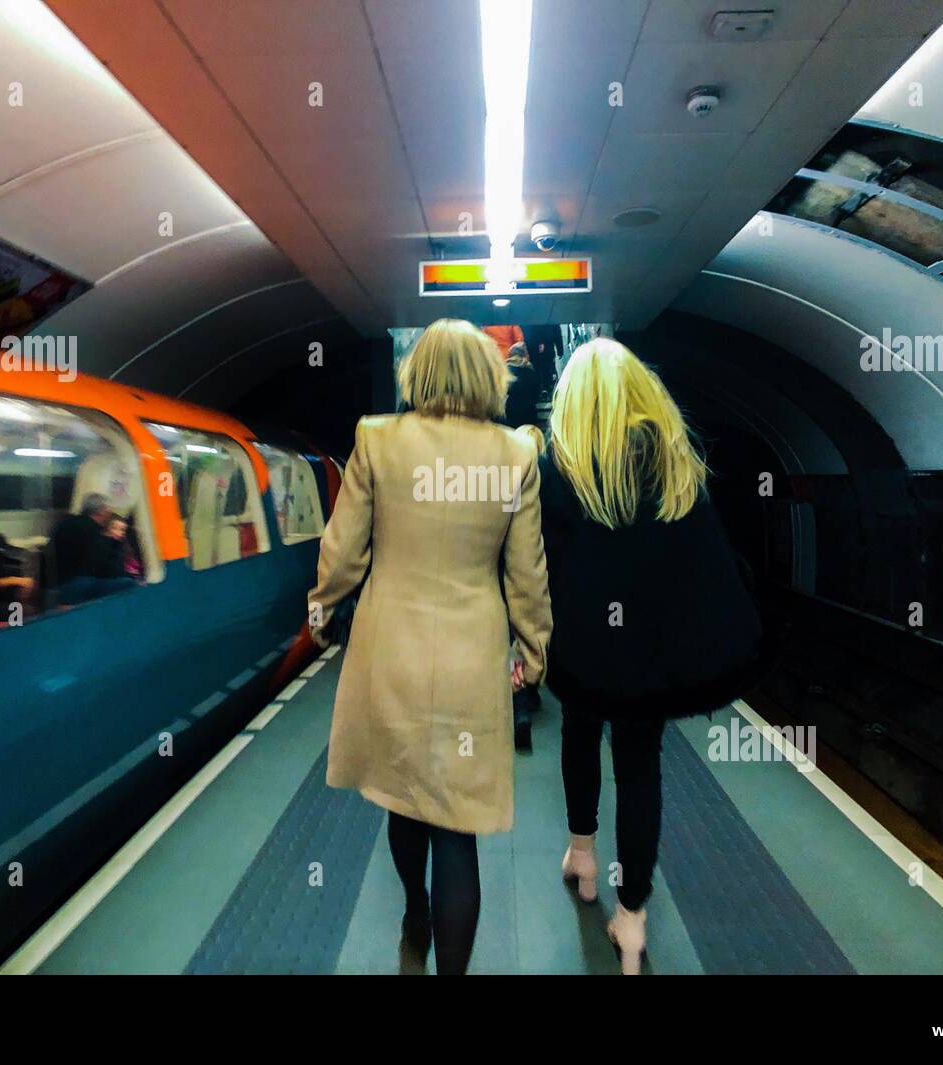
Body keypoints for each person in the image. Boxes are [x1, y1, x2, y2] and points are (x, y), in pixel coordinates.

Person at [308, 318, 552, 975]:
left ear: (416, 373)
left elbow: (343, 550)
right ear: (488, 378)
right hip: (473, 651)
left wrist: (321, 605)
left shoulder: (377, 439)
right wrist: (533, 649)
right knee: (457, 824)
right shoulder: (516, 454)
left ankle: (414, 910)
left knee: (403, 794)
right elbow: (527, 572)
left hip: (392, 650)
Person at [539, 338, 764, 974]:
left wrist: (526, 640)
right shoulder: (676, 463)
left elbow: (539, 566)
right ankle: (631, 920)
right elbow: (708, 564)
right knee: (640, 770)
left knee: (579, 737)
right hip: (652, 656)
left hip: (583, 650)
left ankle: (582, 858)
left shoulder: (562, 468)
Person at [510, 424, 547, 750]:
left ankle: (517, 705)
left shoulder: (507, 481)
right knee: (530, 636)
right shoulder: (548, 480)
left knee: (510, 639)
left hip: (505, 574)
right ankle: (529, 692)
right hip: (540, 574)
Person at [49, 493, 135, 604]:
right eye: (108, 509)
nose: (110, 512)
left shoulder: (64, 524)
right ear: (101, 510)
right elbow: (102, 567)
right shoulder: (96, 531)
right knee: (128, 584)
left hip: (58, 582)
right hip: (79, 584)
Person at [501, 343, 541, 430]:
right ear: (524, 355)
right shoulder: (530, 372)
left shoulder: (504, 372)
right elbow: (537, 394)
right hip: (529, 414)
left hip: (510, 415)